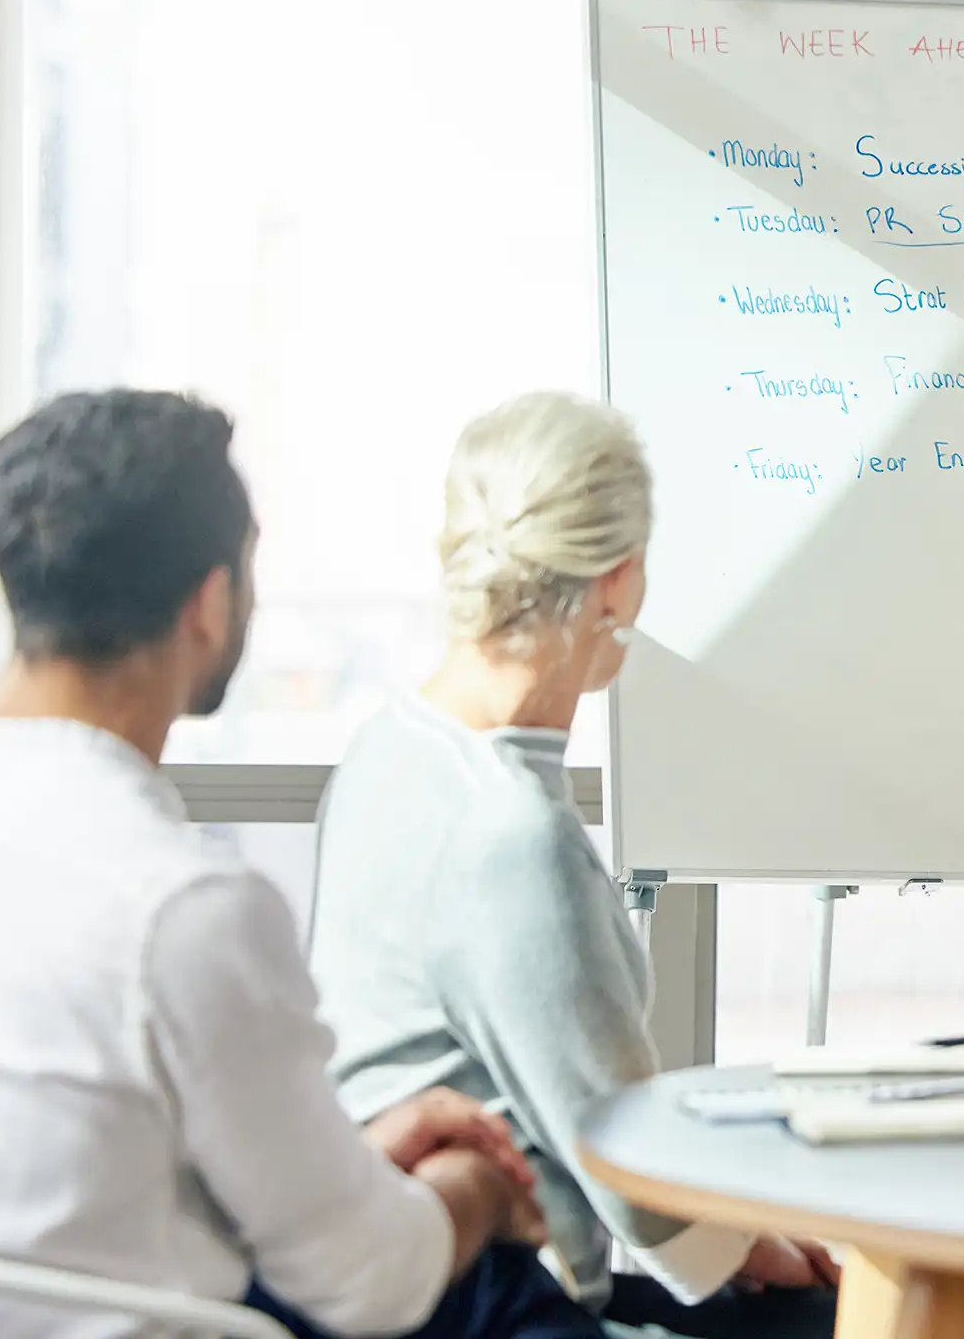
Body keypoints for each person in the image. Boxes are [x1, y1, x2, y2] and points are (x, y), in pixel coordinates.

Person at [0, 390, 554, 1338]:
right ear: (209, 601)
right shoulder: (183, 905)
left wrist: (352, 1162)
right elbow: (369, 1283)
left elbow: (83, 1196)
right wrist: (481, 1186)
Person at [307, 393, 840, 1339]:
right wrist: (759, 1250)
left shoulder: (392, 748)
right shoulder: (507, 831)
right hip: (488, 1299)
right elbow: (624, 1160)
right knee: (833, 1317)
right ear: (618, 581)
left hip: (406, 1269)